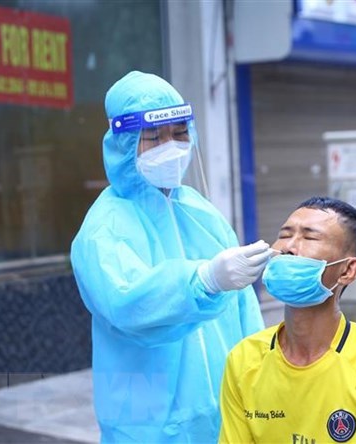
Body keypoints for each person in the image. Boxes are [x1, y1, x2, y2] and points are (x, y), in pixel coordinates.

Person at [70, 71, 270, 443]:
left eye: (180, 133)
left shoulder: (200, 211)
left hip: (222, 412)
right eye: (155, 137)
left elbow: (244, 310)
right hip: (148, 423)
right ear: (125, 143)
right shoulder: (105, 228)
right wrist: (203, 280)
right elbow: (128, 303)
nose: (172, 146)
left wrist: (261, 377)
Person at [219, 196, 356, 444]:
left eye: (309, 237)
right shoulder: (244, 360)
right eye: (285, 234)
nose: (289, 247)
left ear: (348, 270)